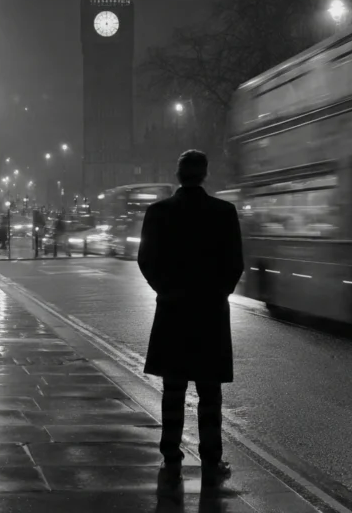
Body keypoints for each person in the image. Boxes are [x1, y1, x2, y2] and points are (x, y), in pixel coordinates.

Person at [137, 150, 244, 488]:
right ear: (204, 175)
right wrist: (218, 293)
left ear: (178, 174)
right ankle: (211, 456)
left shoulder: (158, 212)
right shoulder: (223, 213)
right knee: (209, 391)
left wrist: (165, 290)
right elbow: (235, 263)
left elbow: (146, 260)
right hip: (210, 312)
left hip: (173, 310)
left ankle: (171, 454)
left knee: (173, 387)